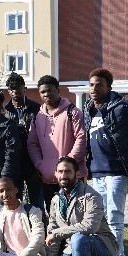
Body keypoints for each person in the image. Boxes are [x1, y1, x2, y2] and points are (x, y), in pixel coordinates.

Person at [40, 156, 117, 256]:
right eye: (60, 172)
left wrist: (57, 234)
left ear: (77, 173)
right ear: (55, 174)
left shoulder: (91, 195)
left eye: (68, 171)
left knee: (79, 238)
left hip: (101, 246)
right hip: (74, 250)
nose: (63, 175)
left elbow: (90, 227)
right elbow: (52, 229)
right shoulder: (56, 200)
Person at [84, 68, 128, 256]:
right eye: (92, 85)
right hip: (97, 173)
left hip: (115, 172)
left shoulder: (119, 108)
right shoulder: (89, 109)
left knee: (114, 218)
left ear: (108, 87)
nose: (94, 88)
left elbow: (126, 143)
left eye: (99, 85)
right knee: (101, 220)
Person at [27, 75, 87, 211]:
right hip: (48, 177)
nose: (46, 94)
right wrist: (40, 164)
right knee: (53, 215)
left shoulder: (73, 112)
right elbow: (32, 144)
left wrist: (67, 165)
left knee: (75, 215)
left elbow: (81, 138)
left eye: (50, 90)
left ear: (58, 90)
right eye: (43, 92)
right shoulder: (38, 117)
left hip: (72, 177)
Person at [4, 73, 43, 210]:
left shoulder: (37, 108)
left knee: (36, 200)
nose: (15, 91)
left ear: (24, 89)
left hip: (33, 160)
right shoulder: (5, 112)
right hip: (15, 160)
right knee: (16, 199)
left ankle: (40, 228)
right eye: (11, 89)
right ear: (8, 91)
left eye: (18, 88)